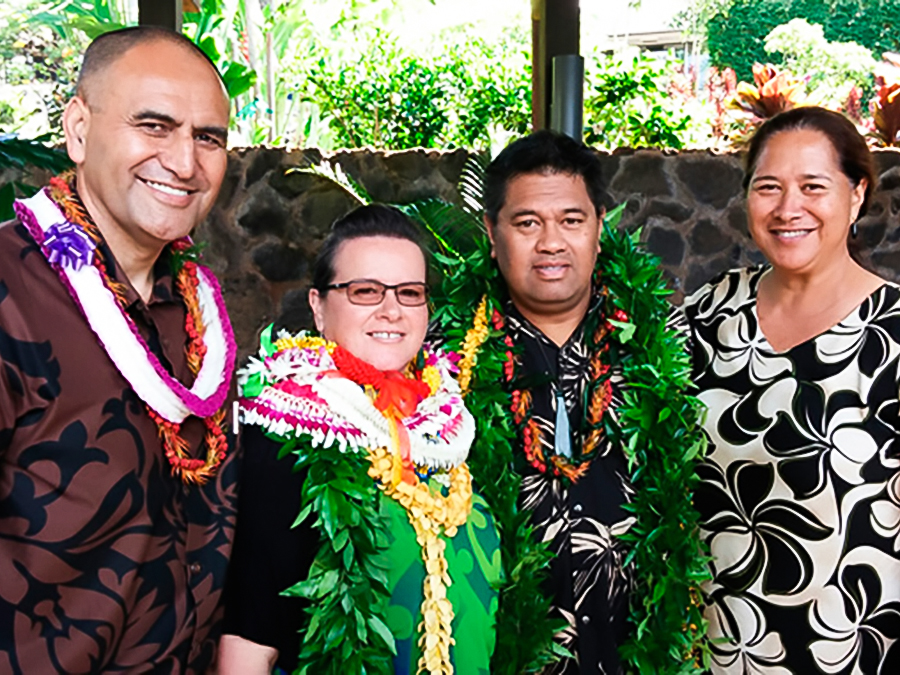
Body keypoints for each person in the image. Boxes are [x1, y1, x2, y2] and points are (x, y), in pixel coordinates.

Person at [0, 27, 237, 673]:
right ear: (79, 129)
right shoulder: (10, 289)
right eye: (154, 126)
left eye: (208, 138)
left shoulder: (197, 309)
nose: (185, 163)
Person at [433, 130, 706, 674]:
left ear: (599, 228)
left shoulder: (667, 348)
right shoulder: (442, 365)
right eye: (527, 223)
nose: (551, 242)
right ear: (491, 234)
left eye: (571, 221)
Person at [218, 204, 500, 675]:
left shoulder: (451, 427)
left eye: (410, 292)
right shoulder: (288, 433)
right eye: (365, 291)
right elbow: (249, 641)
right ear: (317, 306)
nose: (391, 310)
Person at [683, 106, 900, 672]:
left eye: (813, 187)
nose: (787, 209)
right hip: (712, 651)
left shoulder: (894, 336)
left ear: (856, 194)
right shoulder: (709, 314)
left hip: (852, 653)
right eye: (768, 187)